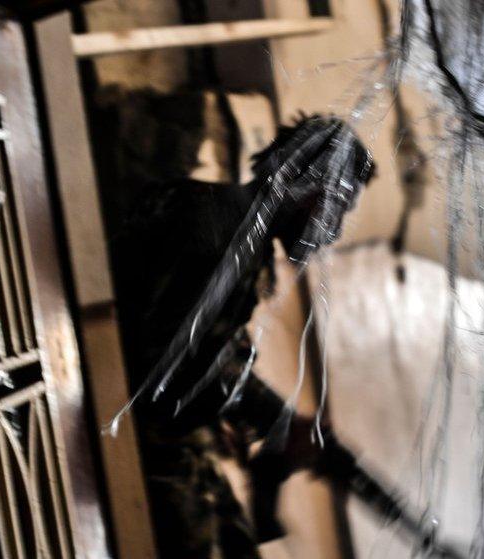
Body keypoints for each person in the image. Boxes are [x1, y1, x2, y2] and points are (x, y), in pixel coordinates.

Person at [108, 115, 374, 558]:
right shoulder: (224, 240)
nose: (334, 230)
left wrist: (280, 424)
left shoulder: (233, 228)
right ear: (307, 188)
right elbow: (160, 368)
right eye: (336, 208)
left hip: (154, 425)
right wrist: (276, 424)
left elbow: (210, 351)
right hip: (128, 430)